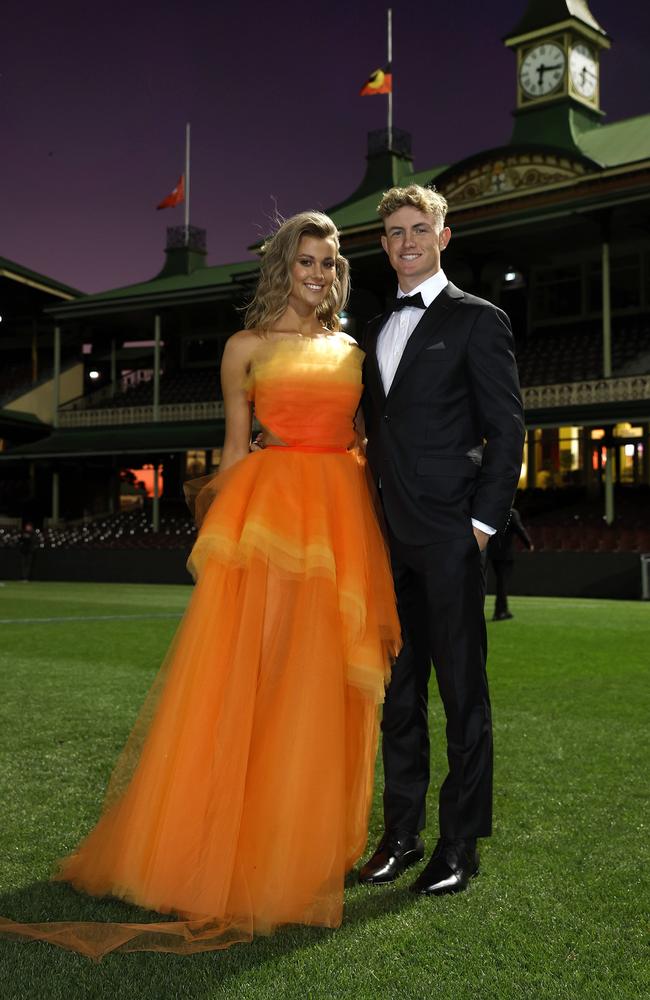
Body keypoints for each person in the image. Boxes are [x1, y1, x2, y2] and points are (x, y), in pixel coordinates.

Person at [0, 212, 400, 960]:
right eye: (307, 261)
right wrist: (221, 539)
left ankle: (298, 850)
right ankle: (213, 851)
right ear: (284, 266)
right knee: (255, 675)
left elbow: (364, 440)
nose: (319, 274)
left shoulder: (351, 347)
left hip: (343, 518)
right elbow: (234, 441)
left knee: (320, 683)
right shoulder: (243, 347)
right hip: (272, 515)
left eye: (329, 263)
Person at [358, 184, 525, 897]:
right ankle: (400, 835)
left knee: (462, 697)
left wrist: (482, 525)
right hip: (383, 538)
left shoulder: (478, 320)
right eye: (394, 232)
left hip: (452, 537)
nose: (405, 242)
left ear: (444, 236)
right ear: (384, 243)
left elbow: (508, 428)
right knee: (397, 698)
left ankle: (459, 846)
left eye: (418, 229)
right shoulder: (369, 328)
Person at [487, 507, 533, 620]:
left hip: (493, 552)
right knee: (503, 583)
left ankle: (503, 609)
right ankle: (500, 612)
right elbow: (519, 529)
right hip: (506, 554)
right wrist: (529, 544)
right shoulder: (511, 513)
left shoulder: (494, 511)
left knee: (501, 583)